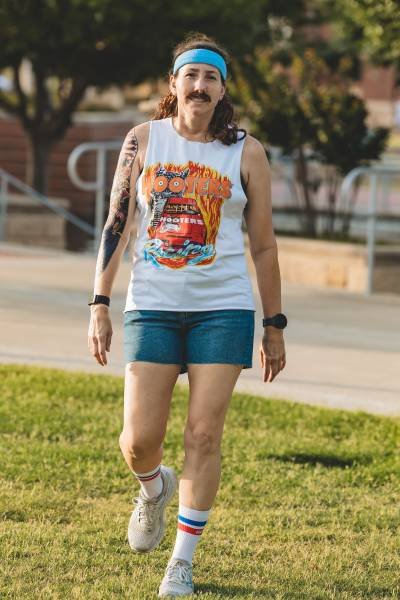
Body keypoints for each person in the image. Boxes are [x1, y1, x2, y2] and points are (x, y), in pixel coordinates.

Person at [88, 32, 286, 598]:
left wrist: (274, 324)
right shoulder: (142, 140)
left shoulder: (246, 152)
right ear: (173, 84)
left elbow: (264, 246)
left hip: (223, 309)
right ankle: (154, 488)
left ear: (223, 90)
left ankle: (181, 561)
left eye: (211, 77)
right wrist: (99, 303)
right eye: (191, 75)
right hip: (151, 306)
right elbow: (117, 223)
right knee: (138, 441)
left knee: (203, 434)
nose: (200, 85)